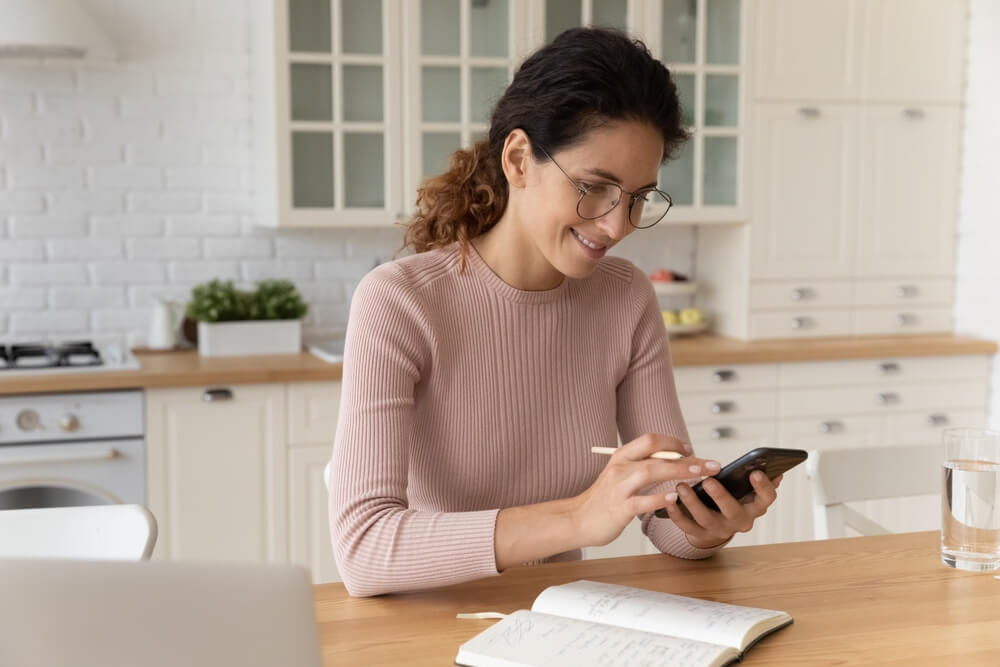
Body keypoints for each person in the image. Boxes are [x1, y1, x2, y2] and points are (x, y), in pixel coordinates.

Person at [329, 27, 780, 597]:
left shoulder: (626, 298)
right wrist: (577, 518)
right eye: (595, 187)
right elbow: (365, 550)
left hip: (569, 625)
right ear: (519, 159)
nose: (618, 225)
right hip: (430, 624)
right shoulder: (399, 302)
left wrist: (709, 524)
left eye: (640, 197)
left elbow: (664, 523)